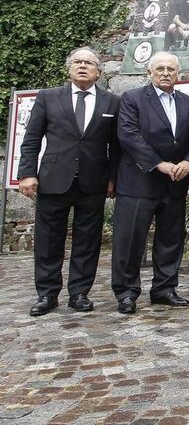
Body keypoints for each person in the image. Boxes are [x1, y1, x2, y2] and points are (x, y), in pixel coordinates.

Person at [19, 48, 121, 316]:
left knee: (88, 240)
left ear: (98, 71)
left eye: (89, 63)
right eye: (78, 62)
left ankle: (79, 293)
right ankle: (46, 294)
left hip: (93, 181)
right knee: (48, 240)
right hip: (54, 179)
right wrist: (27, 173)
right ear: (69, 68)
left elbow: (116, 146)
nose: (83, 66)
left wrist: (113, 177)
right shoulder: (48, 97)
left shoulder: (111, 102)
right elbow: (31, 138)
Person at [110, 52, 189, 314]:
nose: (166, 73)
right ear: (150, 72)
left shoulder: (188, 103)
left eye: (171, 69)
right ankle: (126, 292)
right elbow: (129, 136)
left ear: (178, 74)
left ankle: (164, 288)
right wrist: (159, 164)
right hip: (140, 181)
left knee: (171, 238)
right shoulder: (133, 99)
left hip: (175, 182)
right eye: (160, 68)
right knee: (130, 240)